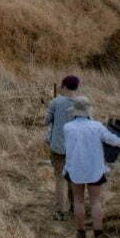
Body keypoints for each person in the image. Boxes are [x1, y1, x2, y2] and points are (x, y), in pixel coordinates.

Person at [63, 96, 120, 238]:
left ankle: (80, 236)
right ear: (88, 111)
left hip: (75, 168)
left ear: (75, 111)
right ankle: (98, 237)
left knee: (78, 201)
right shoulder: (97, 126)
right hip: (94, 168)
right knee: (95, 202)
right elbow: (112, 140)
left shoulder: (67, 127)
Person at [44, 75, 81, 220]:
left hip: (58, 147)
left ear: (64, 86)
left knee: (60, 179)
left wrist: (50, 111)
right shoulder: (81, 103)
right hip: (76, 147)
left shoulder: (55, 102)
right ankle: (74, 206)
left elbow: (46, 121)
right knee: (73, 178)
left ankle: (60, 211)